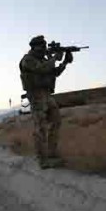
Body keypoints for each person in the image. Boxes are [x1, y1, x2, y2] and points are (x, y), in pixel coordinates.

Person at [19, 35, 73, 169]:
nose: (44, 49)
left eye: (45, 46)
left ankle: (51, 154)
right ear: (34, 47)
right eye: (42, 47)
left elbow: (53, 73)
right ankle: (43, 160)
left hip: (46, 94)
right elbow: (41, 69)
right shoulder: (28, 60)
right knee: (41, 127)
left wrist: (64, 62)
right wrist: (54, 57)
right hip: (36, 95)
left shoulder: (44, 59)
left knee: (56, 121)